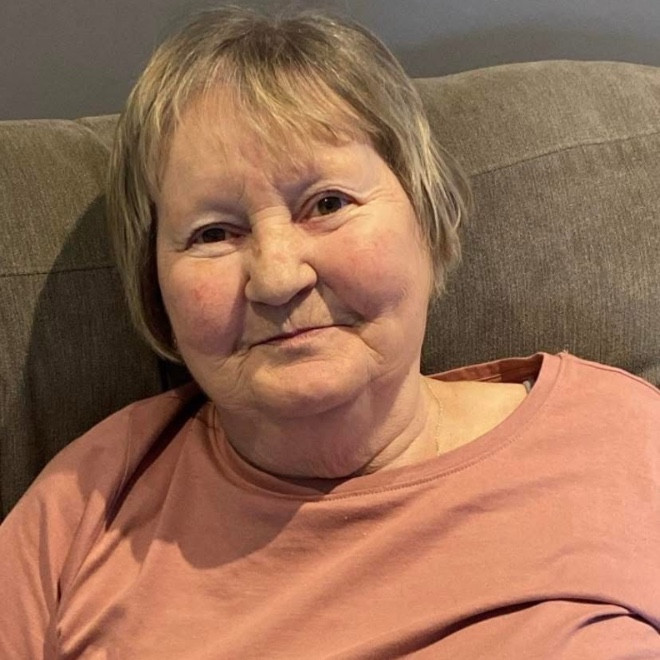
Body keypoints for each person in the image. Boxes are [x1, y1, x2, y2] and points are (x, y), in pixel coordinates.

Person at [1, 6, 659, 658]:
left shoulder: (617, 433)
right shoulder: (86, 505)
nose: (277, 276)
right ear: (154, 286)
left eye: (327, 203)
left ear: (427, 218)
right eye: (214, 233)